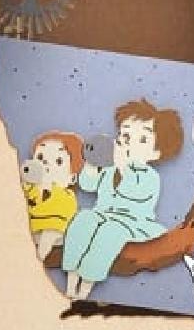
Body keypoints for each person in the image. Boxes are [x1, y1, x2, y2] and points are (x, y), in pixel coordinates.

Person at [60, 99, 184, 300]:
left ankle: (85, 288)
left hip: (130, 223)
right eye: (126, 135)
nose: (129, 142)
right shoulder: (109, 167)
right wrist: (92, 164)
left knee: (110, 232)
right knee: (83, 219)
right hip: (101, 214)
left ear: (156, 153)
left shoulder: (150, 176)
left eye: (141, 139)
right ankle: (71, 280)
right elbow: (88, 185)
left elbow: (132, 191)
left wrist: (123, 166)